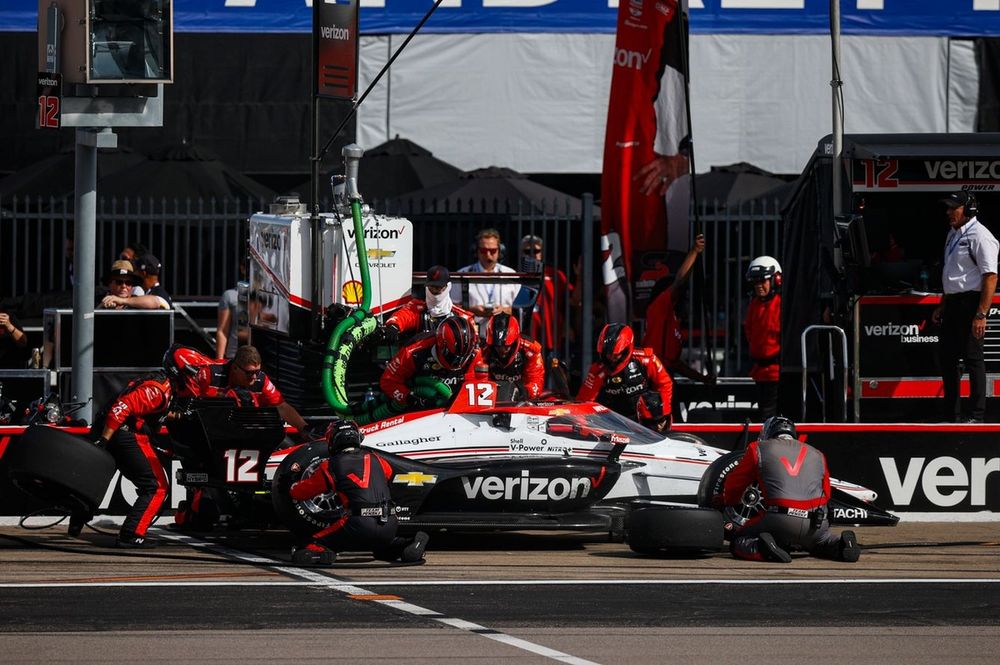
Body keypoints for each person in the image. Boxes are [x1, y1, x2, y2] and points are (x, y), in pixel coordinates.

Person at [285, 419, 429, 565]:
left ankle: (320, 554)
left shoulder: (330, 466)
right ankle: (408, 544)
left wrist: (291, 481)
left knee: (308, 544)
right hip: (389, 524)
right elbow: (388, 474)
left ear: (332, 441)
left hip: (358, 525)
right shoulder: (377, 459)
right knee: (381, 550)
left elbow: (299, 493)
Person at [721, 416, 860, 564]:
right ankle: (841, 545)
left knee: (738, 540)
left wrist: (728, 502)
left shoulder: (757, 448)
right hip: (815, 523)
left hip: (779, 520)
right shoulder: (818, 454)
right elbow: (826, 494)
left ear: (767, 433)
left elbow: (734, 484)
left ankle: (762, 548)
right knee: (821, 542)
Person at [81, 366, 178, 547]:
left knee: (96, 479)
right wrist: (104, 440)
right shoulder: (159, 389)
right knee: (156, 487)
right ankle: (132, 534)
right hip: (121, 432)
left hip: (111, 428)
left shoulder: (158, 383)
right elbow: (121, 407)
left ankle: (79, 515)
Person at [932, 191, 999, 423]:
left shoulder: (981, 236)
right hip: (952, 303)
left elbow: (990, 276)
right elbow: (952, 274)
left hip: (972, 303)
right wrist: (943, 303)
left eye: (954, 208)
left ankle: (977, 416)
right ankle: (952, 415)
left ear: (968, 209)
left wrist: (981, 313)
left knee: (973, 358)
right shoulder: (952, 234)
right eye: (948, 208)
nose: (949, 212)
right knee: (947, 358)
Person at [642, 234, 715, 384]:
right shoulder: (660, 308)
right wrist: (694, 251)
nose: (687, 301)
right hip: (652, 378)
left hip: (666, 380)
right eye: (685, 297)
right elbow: (679, 282)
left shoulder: (673, 323)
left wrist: (703, 379)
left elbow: (676, 364)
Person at [577, 323, 673, 432]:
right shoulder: (598, 370)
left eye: (615, 354)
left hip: (647, 421)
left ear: (626, 349)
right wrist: (582, 426)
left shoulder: (646, 360)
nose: (611, 358)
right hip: (615, 421)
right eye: (608, 354)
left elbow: (665, 384)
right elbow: (584, 401)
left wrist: (662, 413)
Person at [191, 345, 310, 433]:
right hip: (208, 430)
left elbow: (282, 407)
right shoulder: (209, 374)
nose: (254, 377)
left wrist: (304, 428)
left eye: (257, 372)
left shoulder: (260, 380)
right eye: (249, 373)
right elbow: (189, 403)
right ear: (235, 368)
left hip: (245, 430)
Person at [381, 315, 484, 411]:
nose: (457, 363)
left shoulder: (475, 353)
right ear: (440, 344)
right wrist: (409, 399)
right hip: (418, 409)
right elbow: (388, 381)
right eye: (453, 357)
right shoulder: (412, 351)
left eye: (463, 358)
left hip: (456, 409)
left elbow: (476, 385)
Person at [382, 265, 476, 343]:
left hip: (451, 362)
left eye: (439, 287)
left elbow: (474, 344)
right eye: (432, 287)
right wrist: (394, 325)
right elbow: (403, 316)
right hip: (421, 361)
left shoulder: (463, 317)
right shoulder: (417, 309)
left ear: (448, 287)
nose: (435, 291)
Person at [451, 228, 520, 333]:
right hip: (472, 336)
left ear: (500, 251)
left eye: (492, 251)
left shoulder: (512, 275)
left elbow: (520, 310)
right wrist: (471, 310)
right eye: (483, 251)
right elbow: (452, 307)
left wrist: (505, 310)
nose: (488, 255)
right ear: (476, 251)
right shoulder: (463, 274)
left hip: (504, 337)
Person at [744, 255, 782, 419]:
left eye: (763, 281)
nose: (759, 286)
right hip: (758, 373)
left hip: (776, 374)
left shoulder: (781, 304)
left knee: (769, 416)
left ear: (776, 279)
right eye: (755, 282)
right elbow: (749, 332)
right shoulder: (754, 305)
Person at [520, 235, 573, 353]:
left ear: (542, 253)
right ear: (522, 253)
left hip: (551, 335)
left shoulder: (555, 274)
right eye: (527, 251)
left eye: (536, 251)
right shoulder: (515, 275)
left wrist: (567, 325)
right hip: (525, 336)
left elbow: (572, 301)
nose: (532, 255)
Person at [483, 312, 544, 400]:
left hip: (522, 398)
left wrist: (524, 392)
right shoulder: (483, 350)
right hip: (492, 397)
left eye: (507, 346)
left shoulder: (531, 349)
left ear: (515, 341)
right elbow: (477, 379)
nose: (502, 350)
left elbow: (536, 379)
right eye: (498, 347)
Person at [100, 254, 171, 310]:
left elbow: (157, 301)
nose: (124, 286)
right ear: (110, 283)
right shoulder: (98, 296)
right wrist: (102, 307)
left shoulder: (137, 302)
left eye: (128, 283)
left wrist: (122, 301)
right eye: (119, 282)